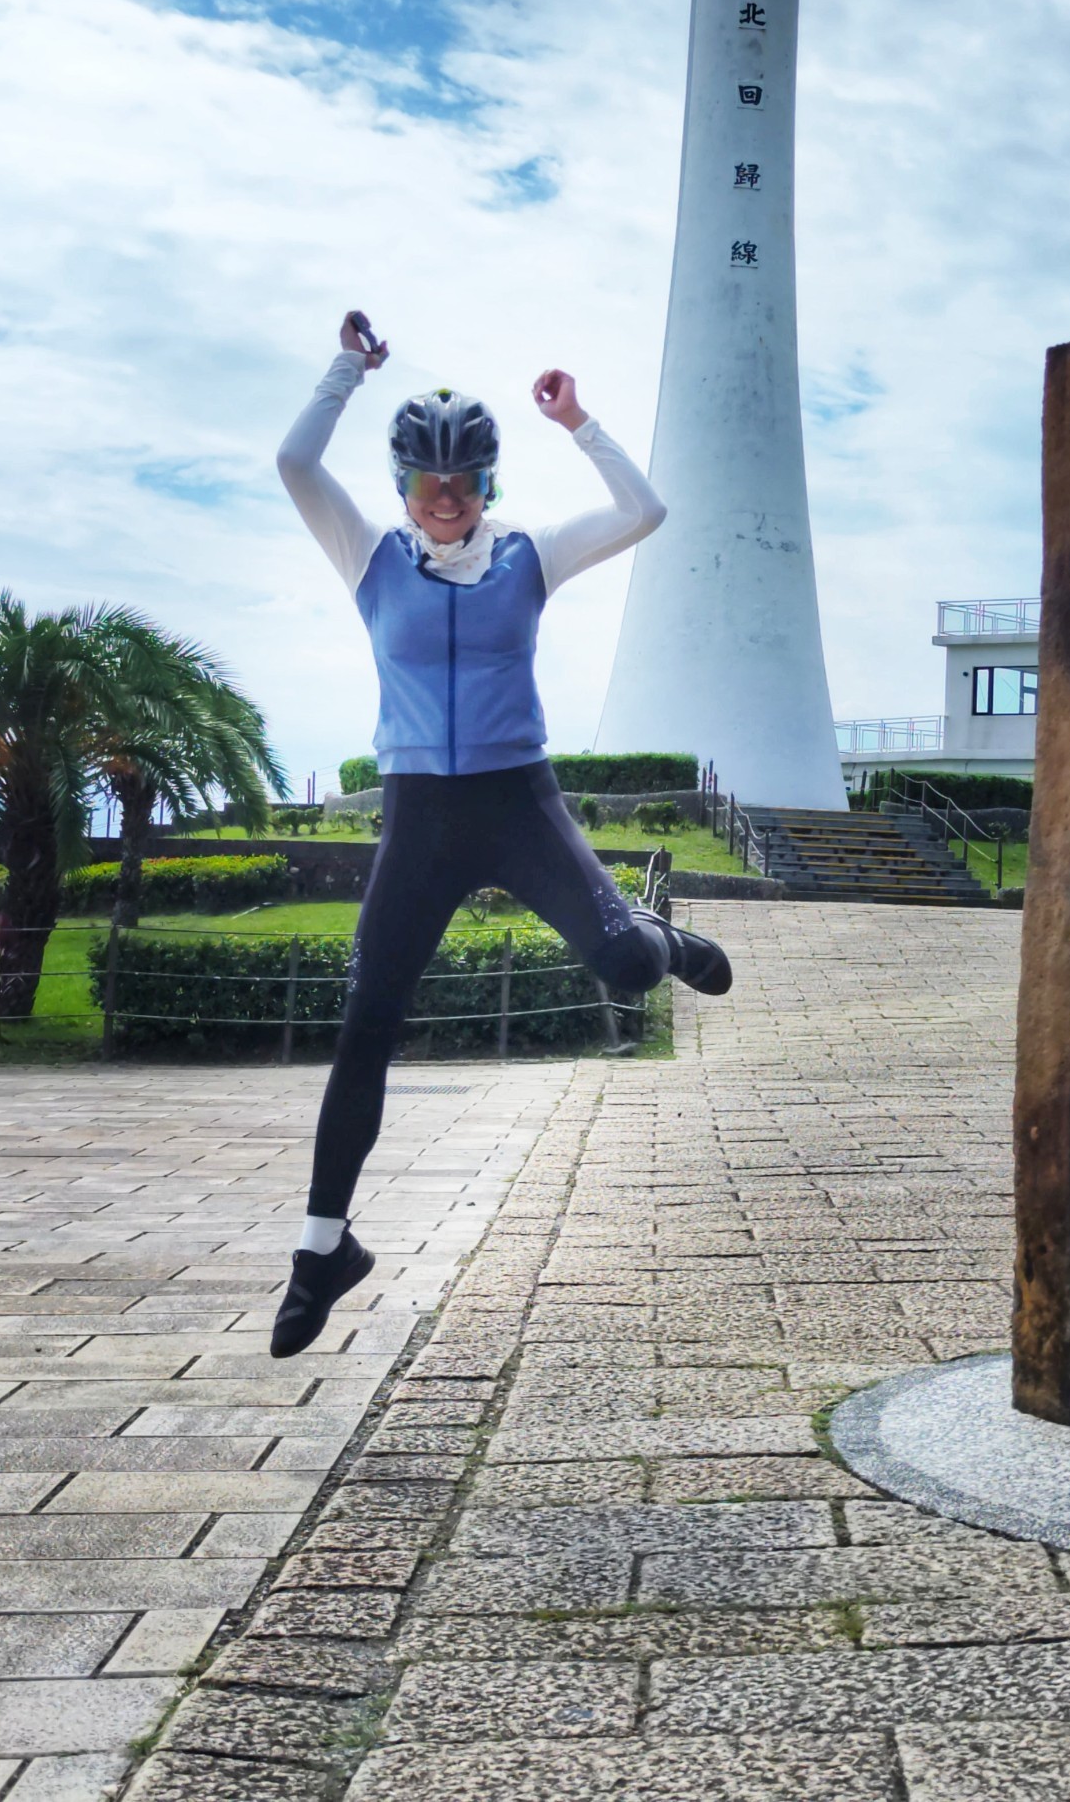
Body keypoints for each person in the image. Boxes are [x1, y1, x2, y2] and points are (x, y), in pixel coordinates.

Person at [268, 311, 729, 1357]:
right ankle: (320, 1250)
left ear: (488, 480)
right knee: (366, 1024)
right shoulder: (369, 556)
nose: (445, 498)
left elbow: (645, 510)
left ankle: (661, 934)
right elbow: (294, 461)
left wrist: (581, 423)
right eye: (427, 481)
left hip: (519, 805)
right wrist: (349, 367)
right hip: (420, 820)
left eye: (464, 480)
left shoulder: (529, 556)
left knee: (622, 963)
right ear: (399, 484)